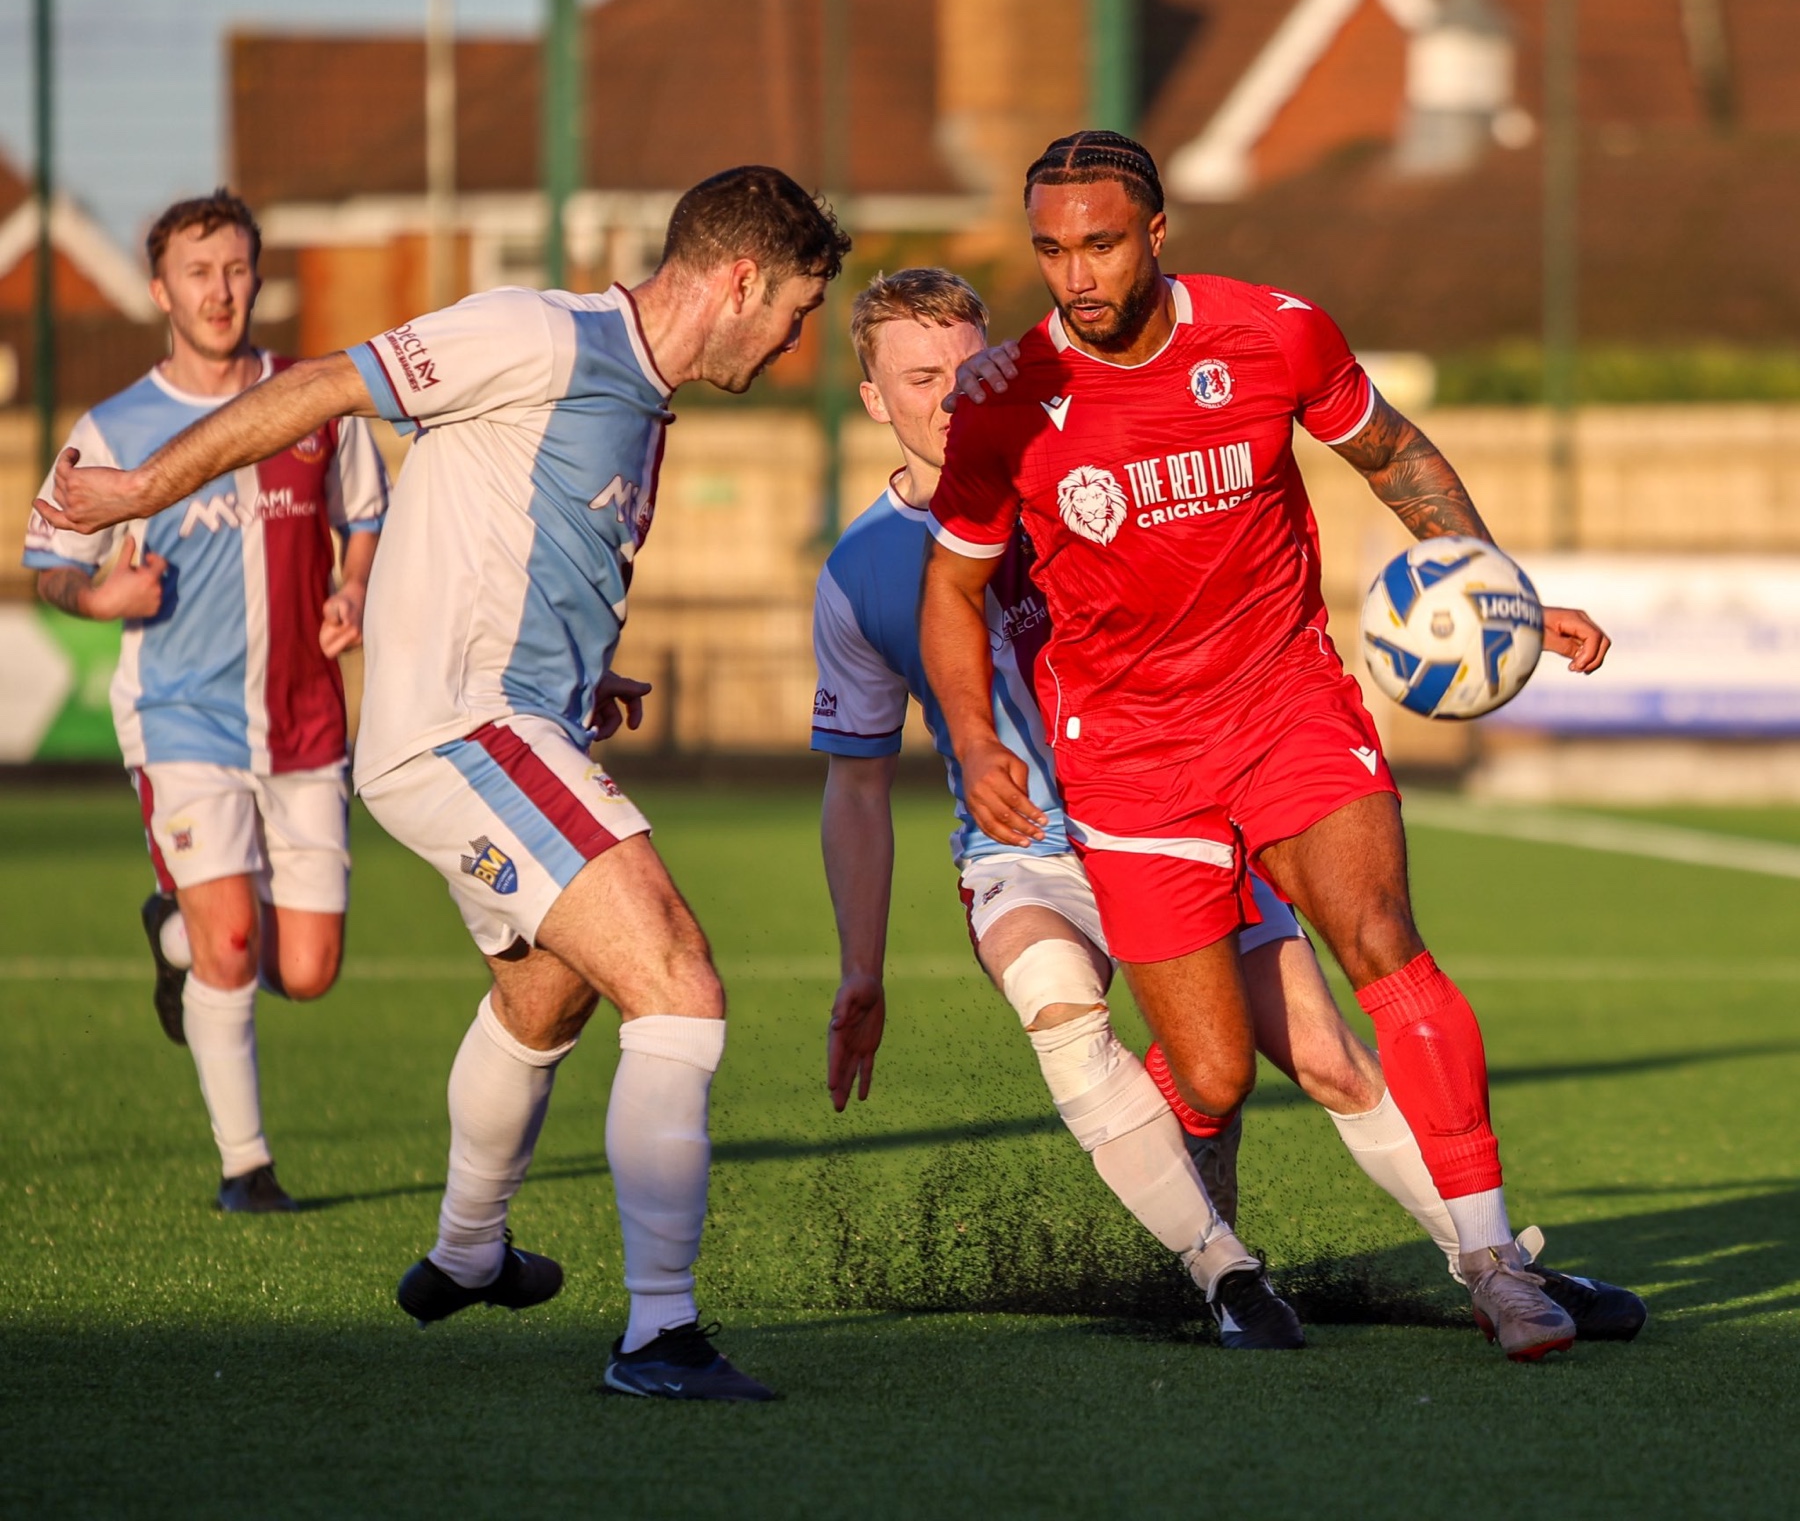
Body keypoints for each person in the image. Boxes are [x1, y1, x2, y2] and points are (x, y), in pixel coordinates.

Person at [33, 165, 853, 1402]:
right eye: (795, 308)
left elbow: (500, 543)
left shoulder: (638, 396)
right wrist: (141, 489)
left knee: (546, 1002)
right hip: (467, 735)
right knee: (679, 986)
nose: (797, 339)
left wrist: (591, 675)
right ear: (739, 278)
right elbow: (322, 386)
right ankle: (659, 1335)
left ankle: (468, 1251)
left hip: (514, 731)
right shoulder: (538, 333)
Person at [819, 268, 1645, 1349]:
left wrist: (1493, 601)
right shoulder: (864, 571)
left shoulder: (1074, 450)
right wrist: (862, 968)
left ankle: (1490, 1268)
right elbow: (857, 784)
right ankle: (1224, 1274)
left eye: (969, 367)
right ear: (873, 398)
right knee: (1076, 1009)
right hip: (1031, 852)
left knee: (1329, 1057)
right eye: (919, 379)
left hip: (1182, 802)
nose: (950, 396)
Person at [23, 190, 388, 1214]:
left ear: (256, 276)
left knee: (307, 967)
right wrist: (100, 594)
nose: (219, 291)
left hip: (306, 720)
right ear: (159, 290)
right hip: (182, 717)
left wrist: (354, 586)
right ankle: (247, 1168)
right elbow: (48, 558)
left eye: (235, 269)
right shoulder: (117, 427)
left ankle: (172, 934)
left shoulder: (312, 397)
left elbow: (366, 514)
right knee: (234, 940)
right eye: (198, 272)